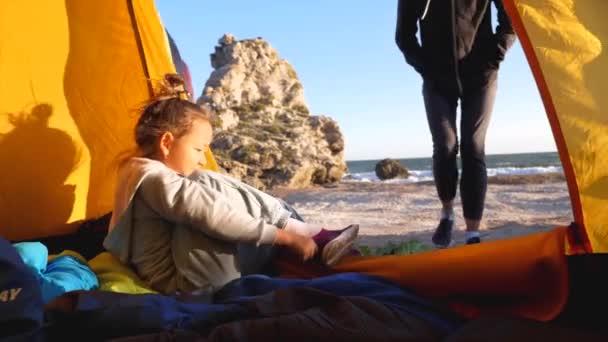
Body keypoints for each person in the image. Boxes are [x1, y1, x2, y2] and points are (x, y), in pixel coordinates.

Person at [104, 74, 359, 295]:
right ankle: (306, 233)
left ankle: (306, 237)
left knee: (207, 183)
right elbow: (211, 214)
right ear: (167, 143)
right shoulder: (154, 179)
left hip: (197, 276)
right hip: (191, 284)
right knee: (204, 181)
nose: (203, 159)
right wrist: (284, 237)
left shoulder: (137, 172)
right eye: (198, 149)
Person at [395, 0, 516, 247]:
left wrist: (496, 54)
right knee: (445, 145)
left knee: (473, 145)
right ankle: (447, 213)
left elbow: (510, 18)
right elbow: (404, 36)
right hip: (437, 80)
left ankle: (472, 233)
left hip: (481, 75)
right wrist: (426, 67)